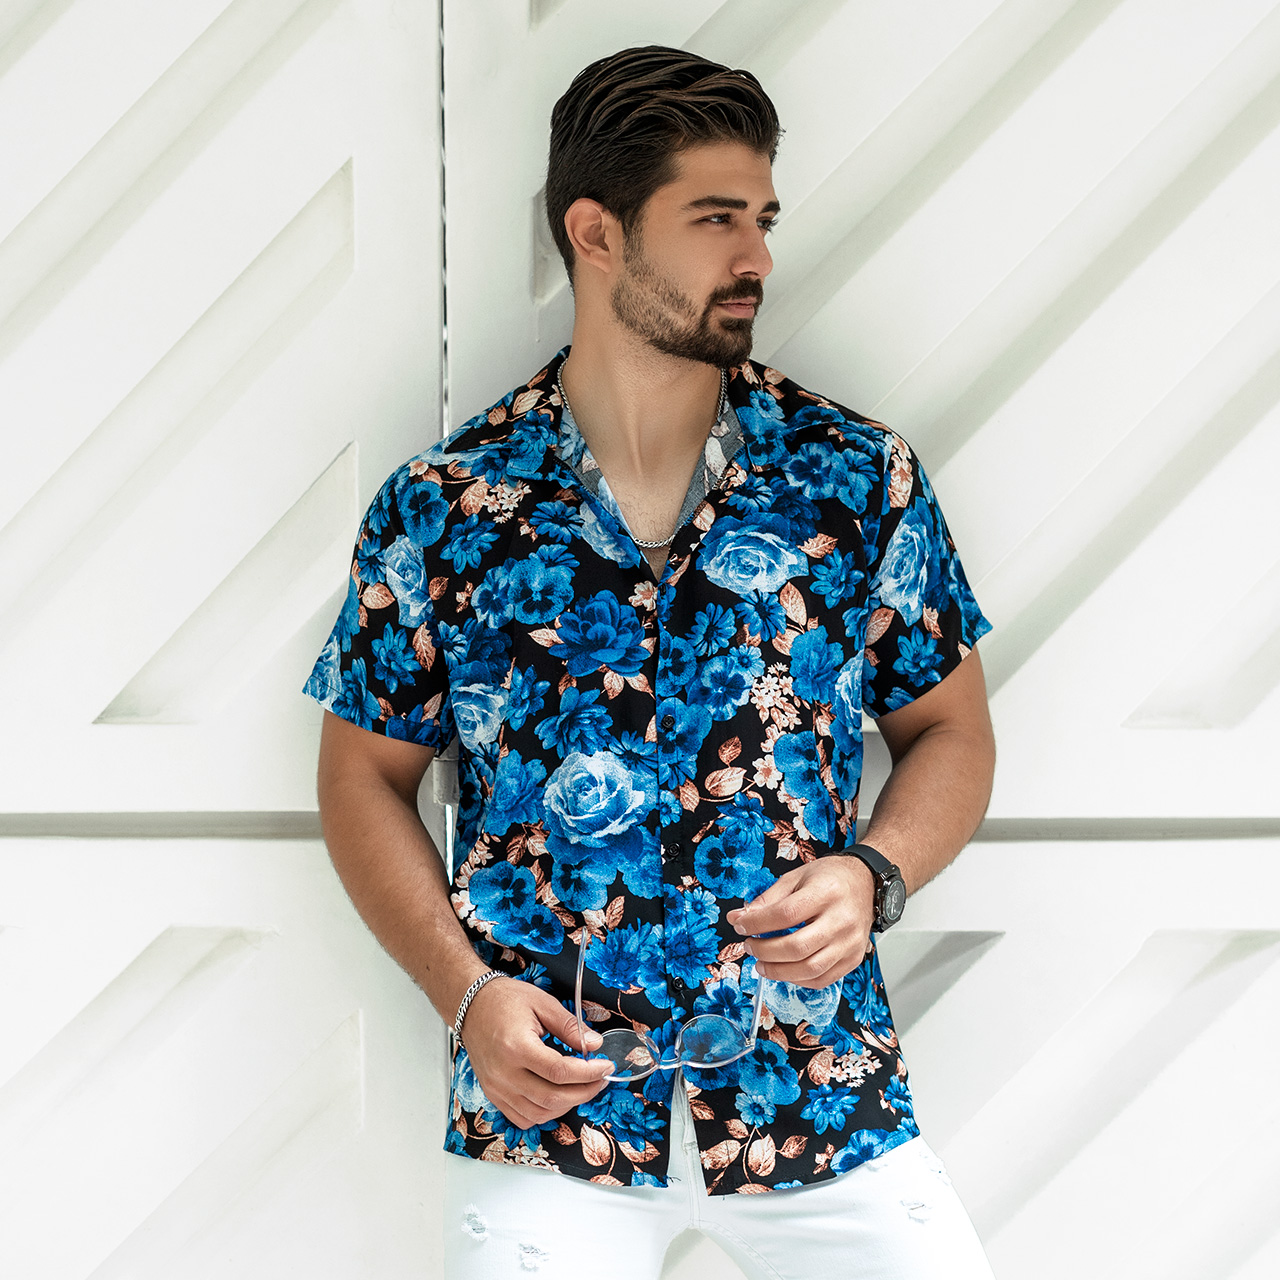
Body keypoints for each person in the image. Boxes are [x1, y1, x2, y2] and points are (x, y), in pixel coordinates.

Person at [306, 44, 996, 1280]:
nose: (756, 256)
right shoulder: (441, 506)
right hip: (548, 1120)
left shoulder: (854, 478)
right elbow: (362, 775)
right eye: (714, 217)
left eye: (763, 218)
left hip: (819, 1094)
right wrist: (464, 994)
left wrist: (875, 872)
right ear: (596, 232)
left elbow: (948, 728)